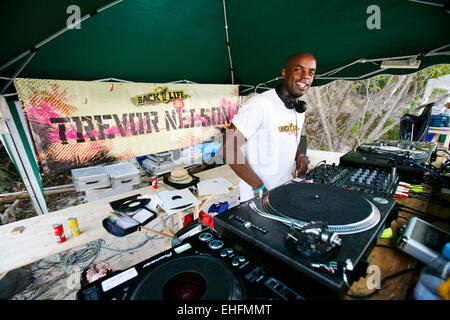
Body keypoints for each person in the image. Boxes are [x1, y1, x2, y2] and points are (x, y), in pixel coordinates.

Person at [223, 52, 316, 202]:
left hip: (283, 191)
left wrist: (299, 155)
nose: (306, 76)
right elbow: (229, 147)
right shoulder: (260, 105)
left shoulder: (298, 109)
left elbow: (284, 140)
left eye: (311, 73)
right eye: (299, 70)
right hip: (257, 196)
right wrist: (258, 186)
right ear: (284, 73)